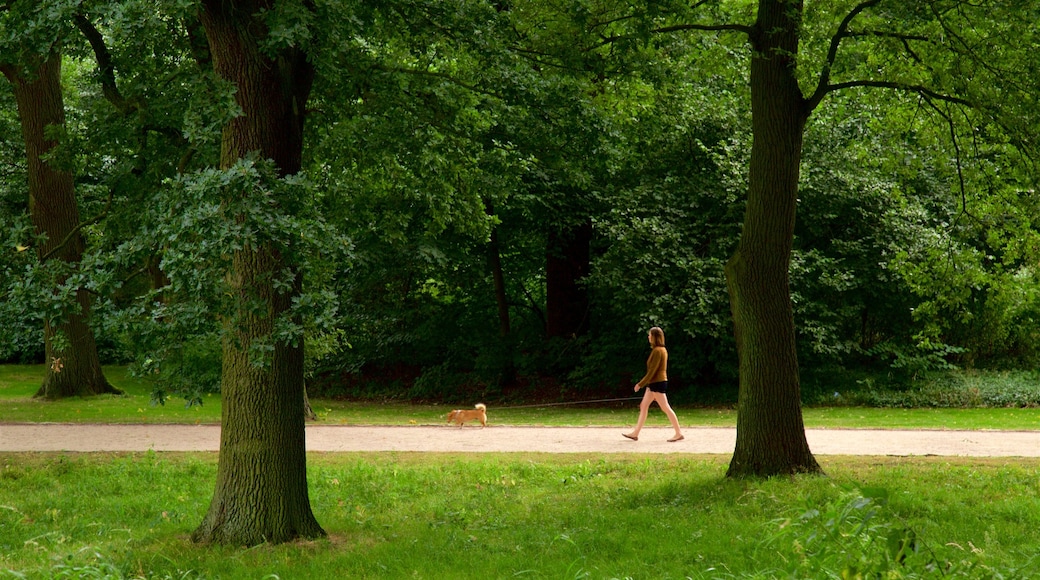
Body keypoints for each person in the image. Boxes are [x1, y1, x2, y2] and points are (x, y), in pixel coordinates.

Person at [623, 327, 684, 442]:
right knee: (644, 406)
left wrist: (640, 384)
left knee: (665, 407)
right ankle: (635, 433)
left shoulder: (658, 351)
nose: (648, 337)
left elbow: (652, 371)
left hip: (657, 383)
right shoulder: (660, 350)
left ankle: (678, 433)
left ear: (655, 337)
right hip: (654, 383)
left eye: (650, 335)